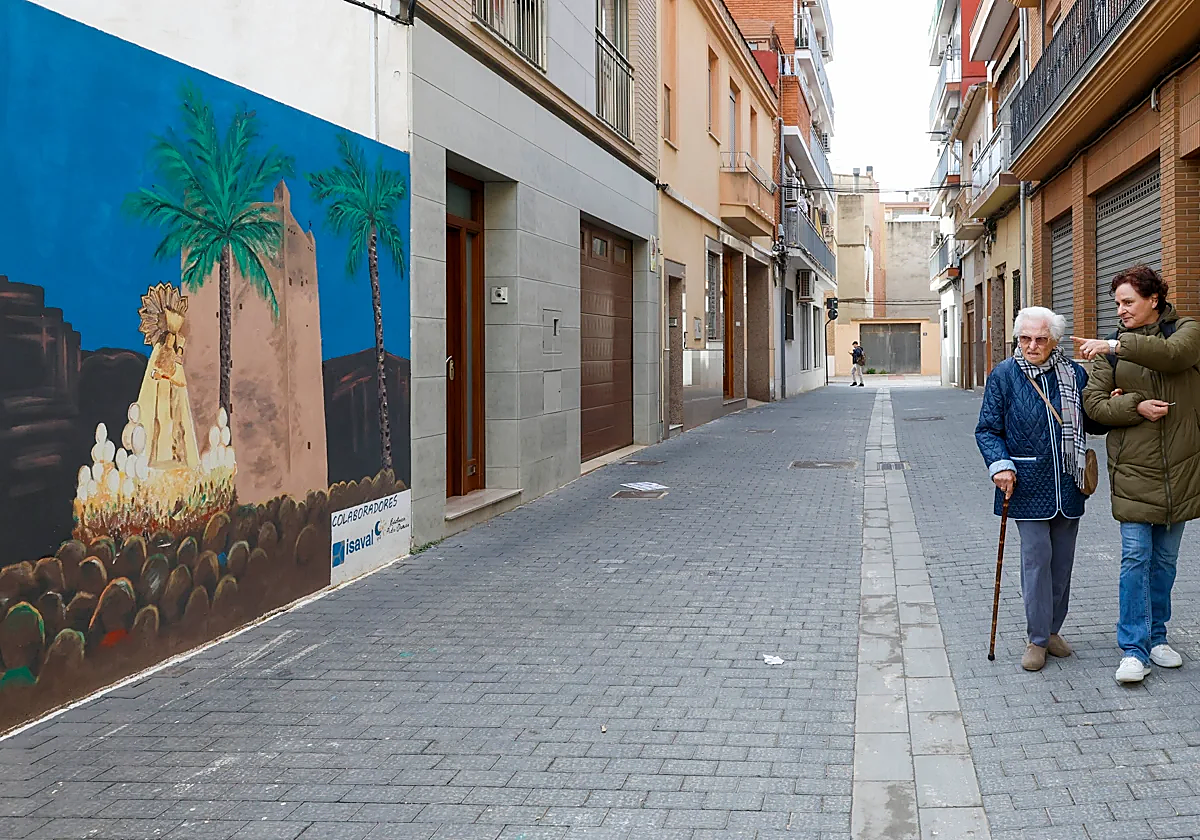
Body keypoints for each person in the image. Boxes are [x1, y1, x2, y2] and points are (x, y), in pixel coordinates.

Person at [1076, 265, 1200, 685]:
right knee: (1135, 559)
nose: (1121, 310)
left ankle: (1157, 637)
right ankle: (1133, 648)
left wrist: (1115, 344)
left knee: (1165, 563)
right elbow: (1093, 406)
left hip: (1182, 470)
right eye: (1117, 304)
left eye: (1128, 302)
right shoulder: (1110, 354)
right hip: (1133, 471)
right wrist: (1134, 406)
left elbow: (1173, 356)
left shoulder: (1187, 331)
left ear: (1154, 300)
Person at [976, 307, 1097, 671]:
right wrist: (1000, 465)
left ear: (1054, 341)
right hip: (1025, 484)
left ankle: (1053, 629)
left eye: (1040, 339)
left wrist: (1113, 403)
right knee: (1037, 559)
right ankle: (1037, 638)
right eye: (1025, 338)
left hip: (1069, 482)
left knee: (1062, 564)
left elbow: (1092, 420)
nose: (1032, 345)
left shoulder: (1073, 373)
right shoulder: (1004, 375)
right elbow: (987, 429)